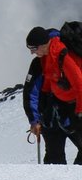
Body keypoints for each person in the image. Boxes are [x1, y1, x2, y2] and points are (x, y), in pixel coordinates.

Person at [25, 26, 82, 163]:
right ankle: (62, 179)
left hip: (74, 111)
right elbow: (32, 92)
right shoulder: (42, 60)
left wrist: (80, 112)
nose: (32, 53)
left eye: (34, 49)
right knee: (53, 158)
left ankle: (73, 178)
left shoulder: (63, 55)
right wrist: (34, 120)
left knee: (54, 158)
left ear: (43, 44)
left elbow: (80, 84)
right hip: (53, 112)